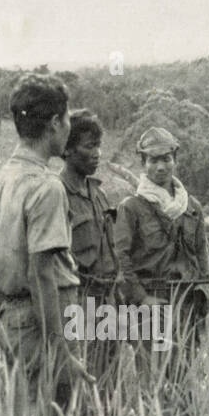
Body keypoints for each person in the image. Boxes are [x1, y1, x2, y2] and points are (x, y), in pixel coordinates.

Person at [0, 73, 90, 416]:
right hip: (44, 323)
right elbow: (41, 273)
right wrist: (60, 351)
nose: (70, 126)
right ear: (55, 123)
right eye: (68, 118)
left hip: (11, 319)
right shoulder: (46, 187)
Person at [113, 127, 209, 362]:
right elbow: (121, 258)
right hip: (150, 302)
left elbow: (201, 257)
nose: (160, 167)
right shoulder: (132, 208)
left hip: (187, 303)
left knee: (185, 378)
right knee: (152, 379)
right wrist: (141, 298)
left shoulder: (191, 207)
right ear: (143, 163)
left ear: (175, 160)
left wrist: (203, 299)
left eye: (166, 159)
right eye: (153, 160)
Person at [59, 109, 119, 377]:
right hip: (78, 303)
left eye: (98, 146)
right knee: (81, 384)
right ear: (67, 150)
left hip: (108, 301)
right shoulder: (58, 194)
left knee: (108, 384)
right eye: (89, 146)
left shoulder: (99, 194)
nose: (97, 153)